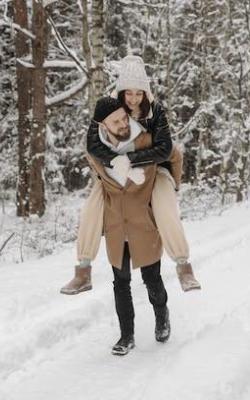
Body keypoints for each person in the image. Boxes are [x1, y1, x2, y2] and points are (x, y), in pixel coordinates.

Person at [61, 55, 200, 295]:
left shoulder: (155, 112)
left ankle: (183, 266)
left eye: (139, 93)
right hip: (118, 172)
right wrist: (116, 161)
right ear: (121, 92)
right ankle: (83, 271)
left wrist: (131, 159)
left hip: (157, 169)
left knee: (164, 207)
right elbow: (93, 145)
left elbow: (165, 149)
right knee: (92, 208)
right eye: (129, 93)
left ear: (145, 93)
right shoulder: (109, 110)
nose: (134, 99)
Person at [86, 96, 172, 355]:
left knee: (151, 278)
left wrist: (167, 191)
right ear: (103, 126)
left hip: (144, 222)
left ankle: (162, 316)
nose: (123, 123)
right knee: (120, 282)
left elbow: (170, 154)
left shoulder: (145, 140)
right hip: (115, 224)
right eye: (116, 121)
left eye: (125, 117)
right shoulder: (96, 150)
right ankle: (126, 336)